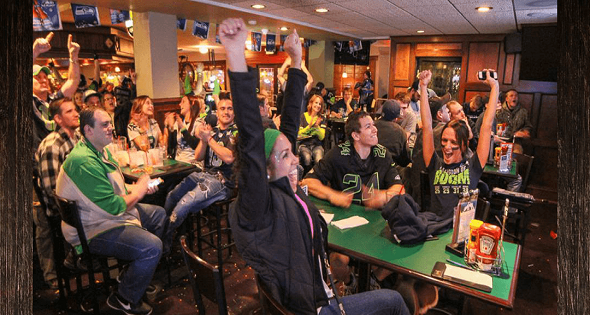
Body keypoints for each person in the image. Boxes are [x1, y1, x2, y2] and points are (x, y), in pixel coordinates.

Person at [221, 18, 409, 315]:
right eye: (285, 156)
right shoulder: (258, 205)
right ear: (263, 169)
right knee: (395, 301)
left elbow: (291, 124)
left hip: (318, 294)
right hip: (313, 309)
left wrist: (297, 61)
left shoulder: (282, 188)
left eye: (291, 152)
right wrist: (234, 52)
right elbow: (250, 143)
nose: (294, 158)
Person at [56, 107, 166, 315]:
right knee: (152, 247)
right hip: (91, 230)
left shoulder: (99, 150)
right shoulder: (84, 161)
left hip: (103, 217)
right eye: (105, 125)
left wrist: (139, 188)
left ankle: (131, 275)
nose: (111, 128)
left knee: (158, 215)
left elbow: (117, 189)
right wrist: (140, 191)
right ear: (88, 130)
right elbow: (114, 207)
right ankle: (124, 298)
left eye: (110, 123)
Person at [418, 69, 498, 220]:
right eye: (444, 141)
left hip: (460, 232)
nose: (447, 146)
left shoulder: (474, 165)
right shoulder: (434, 162)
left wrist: (494, 87)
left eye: (453, 142)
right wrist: (423, 87)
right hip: (435, 227)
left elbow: (486, 126)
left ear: (463, 145)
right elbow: (427, 126)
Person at [162, 98, 237, 254]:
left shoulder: (237, 132)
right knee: (171, 195)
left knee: (184, 204)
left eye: (230, 108)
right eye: (222, 108)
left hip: (222, 181)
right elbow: (198, 156)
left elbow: (229, 157)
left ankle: (165, 244)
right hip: (203, 175)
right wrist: (204, 139)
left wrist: (208, 138)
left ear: (234, 112)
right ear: (217, 112)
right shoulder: (214, 131)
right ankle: (164, 233)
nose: (226, 112)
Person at [34, 97, 80, 289]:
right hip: (58, 206)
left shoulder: (77, 138)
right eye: (69, 111)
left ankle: (82, 258)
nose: (76, 113)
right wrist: (71, 210)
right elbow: (51, 188)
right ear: (58, 119)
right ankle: (57, 272)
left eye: (75, 109)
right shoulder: (53, 144)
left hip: (75, 200)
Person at [33, 32, 80, 149]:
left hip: (58, 155)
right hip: (35, 161)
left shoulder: (54, 101)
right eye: (37, 78)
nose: (43, 80)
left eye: (45, 77)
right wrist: (35, 51)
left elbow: (73, 81)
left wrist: (73, 57)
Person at [163, 94, 203, 163]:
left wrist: (183, 128)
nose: (179, 104)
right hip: (179, 162)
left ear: (192, 103)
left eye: (183, 102)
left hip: (192, 164)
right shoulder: (179, 122)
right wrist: (172, 128)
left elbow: (195, 145)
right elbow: (171, 148)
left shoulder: (198, 123)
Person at [495, 89, 533, 153]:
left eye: (516, 96)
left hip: (516, 141)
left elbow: (528, 126)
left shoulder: (523, 112)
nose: (514, 97)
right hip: (500, 141)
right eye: (511, 96)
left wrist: (524, 132)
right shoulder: (499, 111)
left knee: (517, 152)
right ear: (506, 99)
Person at [374, 100, 410, 167]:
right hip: (391, 170)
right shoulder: (400, 131)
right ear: (396, 118)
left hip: (369, 168)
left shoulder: (371, 126)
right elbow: (405, 159)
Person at [298, 94, 326, 172]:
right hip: (304, 145)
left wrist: (317, 127)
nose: (318, 105)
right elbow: (299, 134)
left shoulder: (321, 118)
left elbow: (322, 137)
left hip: (317, 145)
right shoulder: (303, 116)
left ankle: (316, 178)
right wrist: (309, 127)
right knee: (307, 159)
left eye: (320, 104)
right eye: (316, 103)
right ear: (311, 103)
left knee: (319, 160)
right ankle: (307, 178)